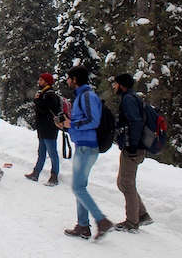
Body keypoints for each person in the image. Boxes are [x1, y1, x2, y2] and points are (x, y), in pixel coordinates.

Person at [56, 65, 113, 240]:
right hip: (83, 145)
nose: (67, 81)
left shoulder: (87, 96)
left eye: (69, 78)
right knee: (80, 186)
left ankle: (101, 220)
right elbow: (82, 121)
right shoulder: (81, 96)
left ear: (75, 79)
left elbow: (92, 121)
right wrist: (65, 125)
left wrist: (70, 124)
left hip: (87, 147)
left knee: (77, 187)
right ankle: (83, 225)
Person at [112, 73, 154, 233]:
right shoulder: (130, 98)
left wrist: (132, 146)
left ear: (122, 85)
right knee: (122, 183)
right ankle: (141, 214)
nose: (114, 87)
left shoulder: (129, 100)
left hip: (132, 148)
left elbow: (135, 123)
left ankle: (132, 221)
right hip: (131, 146)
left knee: (127, 184)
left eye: (115, 84)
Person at [25, 73, 61, 186]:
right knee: (41, 151)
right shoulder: (44, 93)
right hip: (44, 128)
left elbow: (45, 109)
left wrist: (37, 101)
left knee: (52, 153)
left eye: (41, 80)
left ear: (46, 82)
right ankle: (36, 172)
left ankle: (54, 176)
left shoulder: (49, 94)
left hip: (49, 128)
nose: (38, 82)